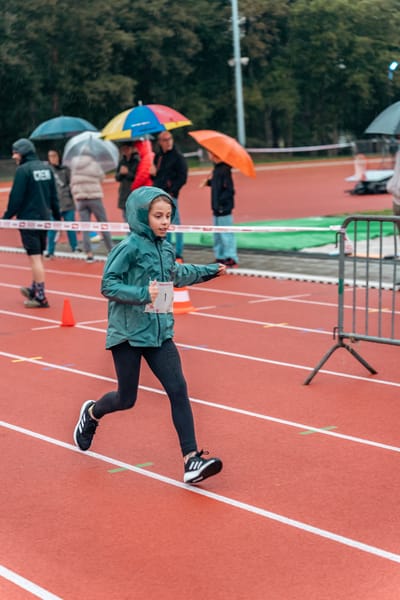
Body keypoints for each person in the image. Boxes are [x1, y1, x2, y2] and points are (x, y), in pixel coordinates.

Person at [73, 186, 225, 484]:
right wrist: (143, 293)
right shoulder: (128, 247)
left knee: (178, 389)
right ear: (142, 216)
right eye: (158, 216)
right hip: (128, 334)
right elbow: (108, 285)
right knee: (126, 398)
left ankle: (191, 460)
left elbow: (176, 276)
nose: (165, 222)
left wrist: (209, 270)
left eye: (168, 216)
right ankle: (92, 413)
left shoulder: (166, 248)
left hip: (160, 332)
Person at [2, 138, 60, 308]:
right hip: (44, 219)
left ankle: (41, 297)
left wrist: (6, 218)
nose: (14, 156)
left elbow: (16, 198)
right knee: (39, 256)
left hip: (28, 220)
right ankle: (35, 288)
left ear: (24, 152)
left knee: (34, 258)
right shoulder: (46, 168)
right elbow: (53, 195)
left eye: (16, 152)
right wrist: (57, 217)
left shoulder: (23, 170)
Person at [70, 148, 113, 262]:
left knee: (85, 227)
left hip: (80, 199)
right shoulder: (94, 164)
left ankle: (89, 253)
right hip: (94, 197)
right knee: (103, 224)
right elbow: (102, 177)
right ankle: (111, 250)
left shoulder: (74, 165)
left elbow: (72, 182)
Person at [150, 131, 187, 260]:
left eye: (170, 138)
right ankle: (167, 250)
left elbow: (183, 177)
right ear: (160, 142)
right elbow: (157, 177)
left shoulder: (177, 156)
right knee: (163, 223)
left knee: (176, 223)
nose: (168, 141)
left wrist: (172, 191)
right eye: (165, 140)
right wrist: (152, 173)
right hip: (159, 195)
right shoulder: (158, 156)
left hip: (170, 195)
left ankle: (178, 253)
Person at [204, 151, 239, 267]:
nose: (208, 155)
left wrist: (221, 204)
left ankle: (231, 257)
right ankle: (220, 257)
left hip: (223, 209)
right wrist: (209, 182)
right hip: (216, 208)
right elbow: (218, 186)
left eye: (209, 153)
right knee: (217, 235)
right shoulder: (216, 170)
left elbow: (229, 190)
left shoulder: (225, 170)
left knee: (226, 234)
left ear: (215, 155)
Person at [46, 149, 80, 257]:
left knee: (71, 227)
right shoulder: (47, 171)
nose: (53, 158)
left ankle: (74, 247)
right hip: (53, 205)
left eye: (55, 156)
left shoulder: (65, 170)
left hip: (67, 203)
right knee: (53, 229)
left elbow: (72, 184)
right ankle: (50, 250)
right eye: (50, 156)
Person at [115, 142, 139, 221]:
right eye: (123, 149)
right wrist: (121, 174)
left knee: (135, 215)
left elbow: (137, 177)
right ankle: (129, 233)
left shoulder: (136, 161)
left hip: (133, 191)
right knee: (125, 216)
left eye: (127, 148)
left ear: (131, 149)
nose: (125, 151)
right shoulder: (122, 162)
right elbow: (117, 178)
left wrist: (127, 173)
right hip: (123, 191)